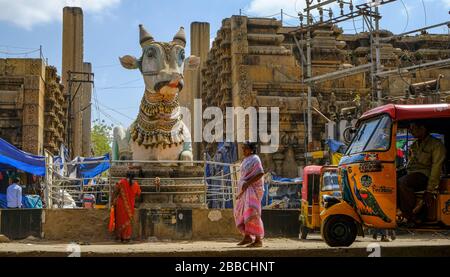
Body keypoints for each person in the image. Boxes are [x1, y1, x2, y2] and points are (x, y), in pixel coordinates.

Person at [398, 121, 446, 225]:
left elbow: (436, 167)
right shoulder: (415, 145)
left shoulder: (436, 145)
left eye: (413, 128)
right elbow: (410, 164)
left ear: (422, 128)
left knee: (402, 182)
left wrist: (430, 189)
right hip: (411, 173)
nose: (410, 131)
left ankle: (410, 215)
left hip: (424, 176)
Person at [234, 141, 265, 248]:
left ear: (251, 149)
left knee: (253, 213)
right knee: (243, 213)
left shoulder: (255, 159)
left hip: (253, 190)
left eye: (245, 148)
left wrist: (248, 183)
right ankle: (247, 237)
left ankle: (258, 240)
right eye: (243, 148)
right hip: (245, 191)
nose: (243, 150)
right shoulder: (245, 160)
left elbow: (260, 173)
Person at [110, 172, 141, 243]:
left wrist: (112, 201)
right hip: (130, 206)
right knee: (128, 222)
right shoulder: (136, 184)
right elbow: (138, 193)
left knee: (120, 220)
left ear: (125, 176)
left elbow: (115, 192)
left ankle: (119, 237)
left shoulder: (121, 182)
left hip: (120, 205)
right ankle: (126, 237)